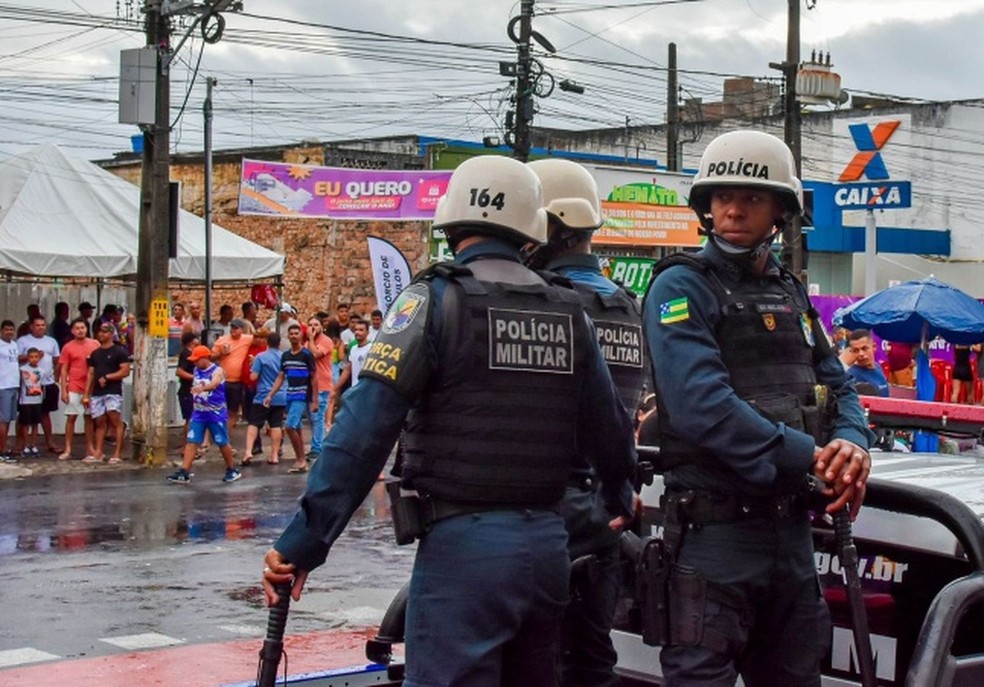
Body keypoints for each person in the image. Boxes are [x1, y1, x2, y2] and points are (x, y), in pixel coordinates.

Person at [261, 155, 637, 686]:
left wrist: (303, 544)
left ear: (452, 223)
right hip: (548, 550)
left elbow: (361, 434)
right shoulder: (566, 311)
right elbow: (611, 429)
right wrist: (619, 497)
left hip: (465, 551)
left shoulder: (433, 299)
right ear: (531, 231)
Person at [643, 130, 872, 687]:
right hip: (714, 541)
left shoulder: (789, 291)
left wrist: (853, 445)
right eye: (722, 196)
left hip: (791, 540)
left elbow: (837, 386)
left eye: (751, 196)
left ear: (779, 211)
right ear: (705, 206)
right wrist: (812, 457)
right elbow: (702, 406)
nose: (733, 208)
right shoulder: (681, 286)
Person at [526, 157, 646, 687]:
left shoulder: (543, 304)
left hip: (548, 508)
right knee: (593, 659)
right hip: (607, 517)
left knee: (535, 658)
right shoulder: (627, 307)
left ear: (544, 230)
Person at [166, 345, 242, 484]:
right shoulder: (196, 370)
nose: (194, 362)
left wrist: (202, 388)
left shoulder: (217, 370)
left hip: (215, 413)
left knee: (222, 441)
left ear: (205, 358)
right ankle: (184, 471)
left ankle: (232, 468)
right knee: (192, 441)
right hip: (199, 412)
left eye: (197, 359)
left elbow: (214, 383)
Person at [264, 324, 317, 474]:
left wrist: (315, 399)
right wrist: (270, 395)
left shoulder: (306, 354)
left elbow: (314, 377)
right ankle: (301, 461)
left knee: (290, 426)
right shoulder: (285, 356)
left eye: (296, 333)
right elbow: (281, 376)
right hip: (290, 394)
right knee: (297, 428)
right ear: (288, 336)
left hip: (302, 394)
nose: (294, 336)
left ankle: (300, 459)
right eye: (291, 334)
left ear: (301, 336)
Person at [82, 323, 132, 464]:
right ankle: (98, 451)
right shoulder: (95, 353)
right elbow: (91, 373)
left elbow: (125, 371)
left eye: (104, 332)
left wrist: (108, 377)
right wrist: (86, 393)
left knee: (114, 418)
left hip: (113, 391)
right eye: (100, 332)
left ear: (111, 334)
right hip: (98, 391)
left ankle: (117, 453)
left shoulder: (119, 351)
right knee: (99, 421)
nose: (101, 334)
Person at [16, 314, 61, 454]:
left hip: (47, 382)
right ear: (31, 327)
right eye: (37, 325)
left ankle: (49, 442)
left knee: (44, 413)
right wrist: (34, 356)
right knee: (24, 415)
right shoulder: (23, 341)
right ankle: (20, 444)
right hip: (28, 384)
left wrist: (56, 378)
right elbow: (16, 358)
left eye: (43, 325)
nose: (40, 328)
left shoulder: (52, 341)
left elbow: (57, 360)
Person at [58, 317, 99, 461]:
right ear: (72, 331)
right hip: (74, 385)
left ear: (87, 329)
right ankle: (68, 448)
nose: (80, 331)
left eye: (83, 327)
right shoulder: (67, 347)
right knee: (71, 417)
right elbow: (64, 369)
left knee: (89, 418)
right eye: (77, 328)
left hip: (91, 386)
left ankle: (90, 448)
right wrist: (63, 389)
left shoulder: (95, 344)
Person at [244, 332, 285, 465]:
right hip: (280, 395)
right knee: (276, 424)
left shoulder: (260, 357)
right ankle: (274, 455)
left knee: (254, 423)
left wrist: (252, 366)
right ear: (279, 343)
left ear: (267, 342)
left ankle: (248, 451)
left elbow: (253, 377)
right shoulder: (284, 357)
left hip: (262, 394)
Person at [210, 318, 254, 438]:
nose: (233, 330)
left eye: (236, 328)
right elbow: (211, 357)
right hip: (222, 381)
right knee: (215, 409)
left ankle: (225, 437)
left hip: (237, 382)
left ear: (242, 330)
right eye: (232, 327)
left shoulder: (247, 339)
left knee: (232, 411)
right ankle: (209, 438)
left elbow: (262, 338)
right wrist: (221, 354)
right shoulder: (222, 340)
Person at [325, 319, 370, 428]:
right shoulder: (353, 348)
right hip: (354, 389)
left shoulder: (371, 348)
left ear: (367, 332)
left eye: (361, 330)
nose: (358, 332)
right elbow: (347, 369)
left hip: (366, 392)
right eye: (356, 330)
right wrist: (335, 388)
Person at [305, 316, 334, 459]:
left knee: (318, 417)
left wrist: (310, 339)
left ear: (322, 326)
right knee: (311, 418)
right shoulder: (306, 343)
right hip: (309, 385)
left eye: (316, 324)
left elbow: (315, 354)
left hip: (322, 384)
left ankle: (318, 448)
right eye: (310, 325)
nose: (313, 327)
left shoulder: (326, 341)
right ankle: (317, 444)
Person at [175, 330, 200, 450]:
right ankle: (187, 446)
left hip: (192, 391)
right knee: (190, 419)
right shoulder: (186, 354)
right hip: (187, 390)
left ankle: (190, 445)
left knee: (192, 418)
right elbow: (179, 371)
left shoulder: (192, 354)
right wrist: (195, 378)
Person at [847, 329, 890, 397]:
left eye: (864, 348)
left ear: (874, 347)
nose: (861, 354)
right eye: (856, 350)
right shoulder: (851, 376)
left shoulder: (878, 367)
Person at [18, 348, 45, 456]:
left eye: (36, 357)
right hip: (25, 401)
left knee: (35, 423)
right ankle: (25, 445)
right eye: (31, 357)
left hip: (37, 400)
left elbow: (41, 384)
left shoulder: (41, 371)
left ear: (39, 358)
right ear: (27, 358)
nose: (33, 359)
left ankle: (33, 445)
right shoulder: (23, 369)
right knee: (25, 424)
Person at [0, 320, 19, 462]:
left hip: (13, 385)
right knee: (3, 419)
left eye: (11, 330)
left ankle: (5, 447)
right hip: (3, 386)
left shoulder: (14, 345)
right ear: (1, 330)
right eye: (6, 330)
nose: (9, 332)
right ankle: (2, 449)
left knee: (9, 419)